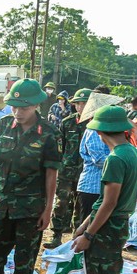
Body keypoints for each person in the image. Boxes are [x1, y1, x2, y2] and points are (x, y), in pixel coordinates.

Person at [0, 79, 61, 274]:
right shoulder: (4, 125)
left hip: (30, 208)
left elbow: (51, 173)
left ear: (36, 106)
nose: (18, 112)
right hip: (1, 204)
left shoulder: (49, 133)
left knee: (24, 261)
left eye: (23, 107)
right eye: (14, 106)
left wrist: (48, 209)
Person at [70, 106, 137, 274]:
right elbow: (103, 202)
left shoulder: (115, 159)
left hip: (108, 228)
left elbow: (109, 202)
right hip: (116, 224)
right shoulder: (131, 153)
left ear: (102, 133)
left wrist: (89, 234)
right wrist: (83, 224)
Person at [45, 88, 91, 249]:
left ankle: (76, 238)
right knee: (61, 203)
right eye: (78, 104)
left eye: (84, 103)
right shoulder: (67, 123)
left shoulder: (95, 124)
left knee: (81, 206)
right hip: (66, 171)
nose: (81, 107)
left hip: (86, 173)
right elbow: (61, 148)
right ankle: (56, 235)